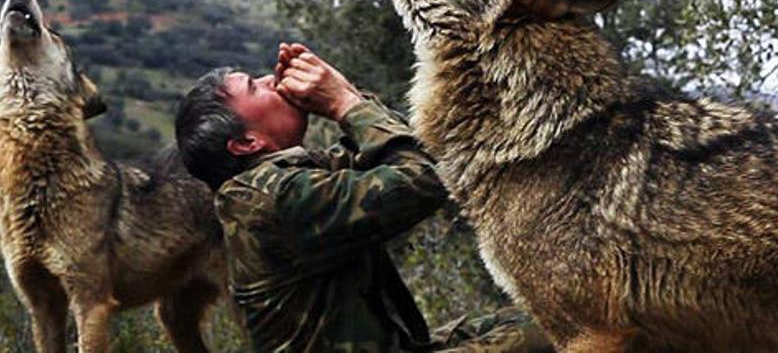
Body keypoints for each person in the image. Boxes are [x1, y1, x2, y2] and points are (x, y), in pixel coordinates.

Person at [174, 43, 552, 352]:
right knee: (559, 339)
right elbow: (422, 178)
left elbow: (390, 150)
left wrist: (345, 93)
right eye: (253, 88)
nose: (271, 80)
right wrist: (344, 105)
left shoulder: (287, 179)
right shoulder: (271, 199)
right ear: (245, 143)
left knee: (553, 318)